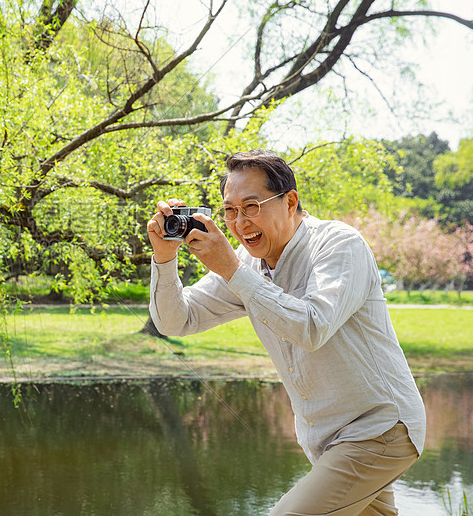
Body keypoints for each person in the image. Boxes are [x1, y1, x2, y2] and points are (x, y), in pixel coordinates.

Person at [147, 149, 426, 516]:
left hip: (380, 428)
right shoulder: (246, 265)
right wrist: (165, 260)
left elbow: (311, 327)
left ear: (290, 201)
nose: (240, 222)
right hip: (328, 443)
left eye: (251, 206)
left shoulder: (339, 245)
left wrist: (232, 270)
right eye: (230, 210)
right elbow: (174, 321)